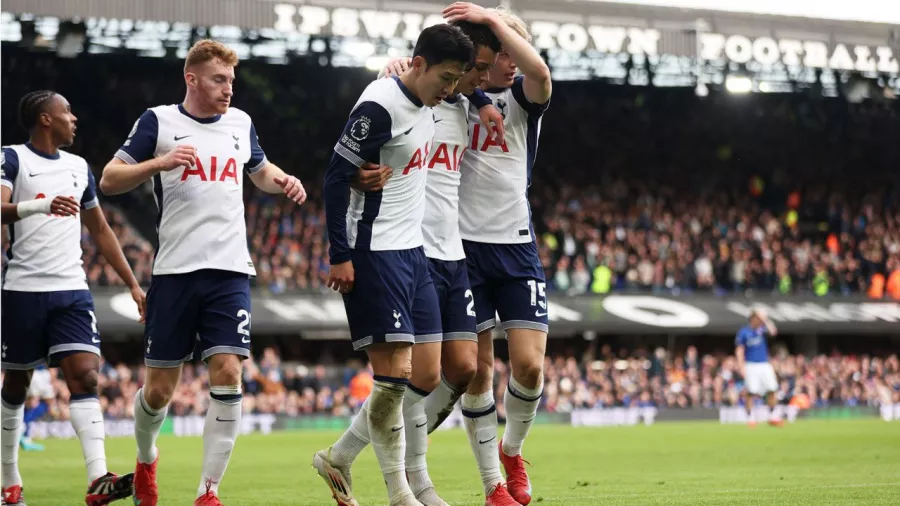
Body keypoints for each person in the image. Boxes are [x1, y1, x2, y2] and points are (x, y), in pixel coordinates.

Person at [99, 39, 307, 506]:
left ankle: (208, 491)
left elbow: (259, 170)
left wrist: (284, 180)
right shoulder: (159, 121)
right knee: (157, 391)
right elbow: (109, 179)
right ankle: (146, 456)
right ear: (191, 79)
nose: (228, 89)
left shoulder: (241, 123)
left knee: (228, 372)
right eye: (218, 79)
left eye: (231, 80)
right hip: (174, 271)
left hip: (230, 269)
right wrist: (160, 162)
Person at [352, 21, 520, 506]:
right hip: (410, 249)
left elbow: (477, 96)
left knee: (463, 369)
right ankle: (414, 480)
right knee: (416, 376)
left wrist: (484, 101)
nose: (480, 78)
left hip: (455, 251)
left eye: (482, 70)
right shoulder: (410, 97)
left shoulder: (467, 105)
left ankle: (347, 452)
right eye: (476, 70)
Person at [313, 24, 475, 506]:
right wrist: (340, 255)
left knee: (425, 377)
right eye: (445, 78)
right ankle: (402, 493)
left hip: (415, 254)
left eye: (456, 81)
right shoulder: (378, 105)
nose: (449, 90)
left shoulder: (432, 101)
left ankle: (339, 456)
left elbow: (484, 80)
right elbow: (334, 178)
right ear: (418, 64)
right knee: (394, 377)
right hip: (374, 251)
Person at [1, 90, 146, 506]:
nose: (74, 118)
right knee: (16, 384)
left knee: (85, 376)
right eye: (67, 111)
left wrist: (133, 283)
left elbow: (101, 231)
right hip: (23, 288)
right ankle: (10, 481)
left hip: (72, 288)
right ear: (45, 119)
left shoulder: (80, 167)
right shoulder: (12, 158)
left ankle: (98, 478)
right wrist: (41, 205)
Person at [445, 4, 553, 505]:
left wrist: (493, 16)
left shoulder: (526, 98)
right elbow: (418, 69)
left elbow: (540, 71)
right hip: (462, 247)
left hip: (515, 245)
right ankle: (493, 485)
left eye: (513, 50)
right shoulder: (456, 94)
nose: (508, 61)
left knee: (530, 367)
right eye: (500, 53)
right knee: (480, 369)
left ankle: (512, 452)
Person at [735, 309, 783, 427]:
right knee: (751, 391)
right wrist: (741, 366)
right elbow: (739, 349)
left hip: (764, 364)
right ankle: (750, 418)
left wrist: (765, 319)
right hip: (750, 364)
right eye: (759, 318)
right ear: (753, 318)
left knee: (772, 389)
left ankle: (772, 416)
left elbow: (774, 332)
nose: (760, 321)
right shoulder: (744, 332)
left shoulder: (762, 330)